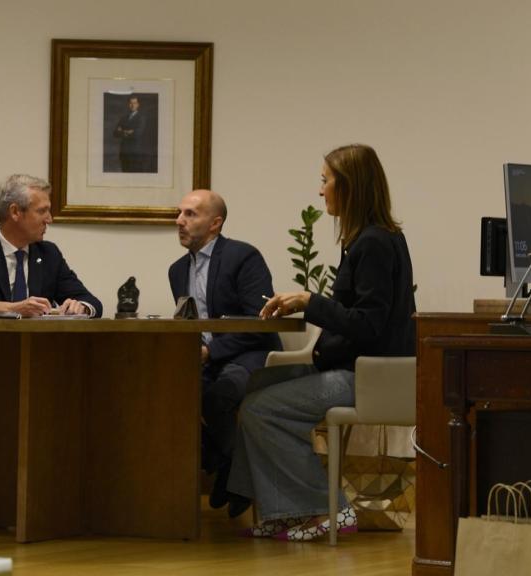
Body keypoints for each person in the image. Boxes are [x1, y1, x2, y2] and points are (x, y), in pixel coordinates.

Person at [227, 144, 416, 541]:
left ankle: (326, 508)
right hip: (357, 370)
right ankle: (282, 507)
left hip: (365, 377)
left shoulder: (373, 244)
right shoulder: (372, 238)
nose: (321, 191)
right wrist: (309, 305)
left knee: (261, 409)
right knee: (256, 387)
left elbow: (368, 324)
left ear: (349, 187)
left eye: (325, 180)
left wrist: (310, 302)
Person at [0, 174, 103, 508]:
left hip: (33, 361)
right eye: (42, 211)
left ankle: (7, 472)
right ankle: (8, 501)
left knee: (62, 410)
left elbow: (92, 301)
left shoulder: (49, 254)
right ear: (15, 212)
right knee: (7, 416)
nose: (49, 219)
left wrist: (79, 305)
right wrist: (5, 307)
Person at [168, 189, 282, 516]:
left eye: (190, 214)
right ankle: (225, 463)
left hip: (248, 354)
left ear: (215, 223)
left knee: (218, 394)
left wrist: (211, 351)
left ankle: (234, 472)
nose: (179, 221)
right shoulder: (177, 271)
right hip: (206, 358)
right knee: (167, 397)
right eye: (179, 213)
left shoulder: (243, 257)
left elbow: (258, 322)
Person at [113, 95, 147, 172]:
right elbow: (115, 133)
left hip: (135, 152)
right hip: (124, 152)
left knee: (134, 175)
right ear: (128, 104)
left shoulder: (141, 118)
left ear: (138, 104)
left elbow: (137, 134)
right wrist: (128, 131)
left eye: (134, 103)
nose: (132, 105)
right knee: (125, 174)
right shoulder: (123, 118)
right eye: (130, 103)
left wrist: (122, 131)